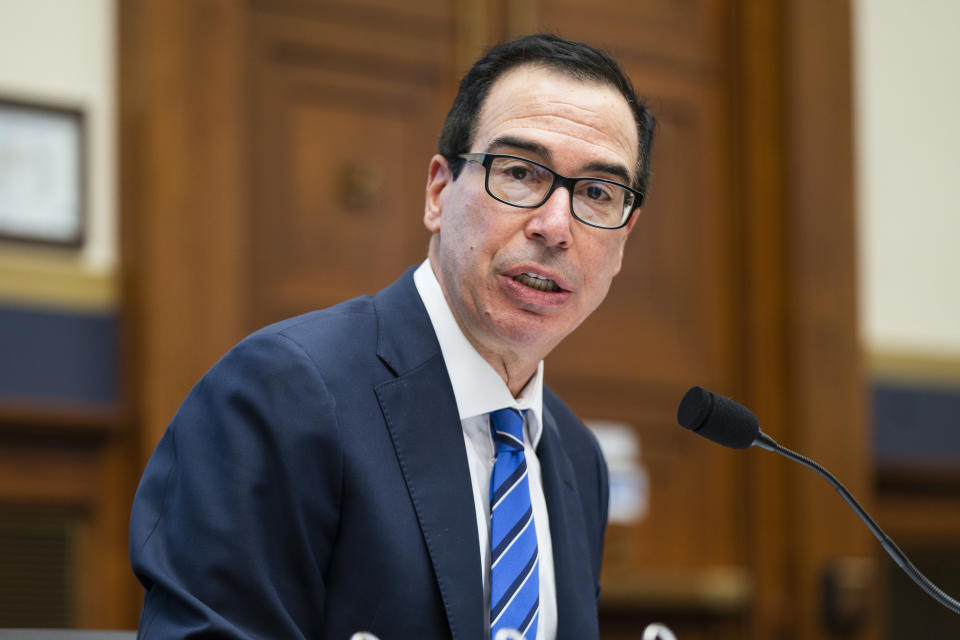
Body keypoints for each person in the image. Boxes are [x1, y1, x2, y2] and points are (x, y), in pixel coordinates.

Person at [129, 33, 655, 640]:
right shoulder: (282, 393)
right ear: (438, 192)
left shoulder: (575, 456)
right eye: (519, 172)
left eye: (596, 193)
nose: (555, 227)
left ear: (623, 243)